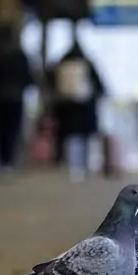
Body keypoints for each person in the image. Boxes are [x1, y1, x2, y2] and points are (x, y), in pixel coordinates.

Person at [46, 40, 107, 182]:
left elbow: (50, 84)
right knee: (84, 137)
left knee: (69, 137)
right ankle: (83, 166)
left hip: (66, 107)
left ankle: (70, 166)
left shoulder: (60, 65)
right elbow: (99, 86)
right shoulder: (87, 64)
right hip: (85, 106)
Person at [0, 23, 33, 178]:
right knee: (13, 130)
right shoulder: (19, 55)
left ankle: (2, 162)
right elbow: (28, 77)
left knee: (0, 130)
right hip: (16, 98)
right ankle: (10, 161)